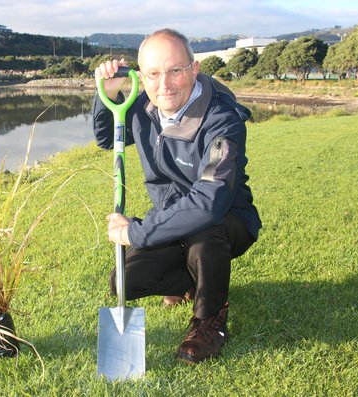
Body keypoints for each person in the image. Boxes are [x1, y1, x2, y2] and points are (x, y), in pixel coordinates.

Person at [92, 28, 261, 364]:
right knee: (124, 282)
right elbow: (105, 138)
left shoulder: (222, 121)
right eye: (153, 74)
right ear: (141, 77)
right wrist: (106, 96)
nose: (164, 84)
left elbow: (209, 201)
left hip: (227, 221)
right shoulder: (142, 107)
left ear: (194, 69)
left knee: (204, 233)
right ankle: (195, 281)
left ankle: (209, 318)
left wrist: (135, 232)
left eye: (175, 71)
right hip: (171, 218)